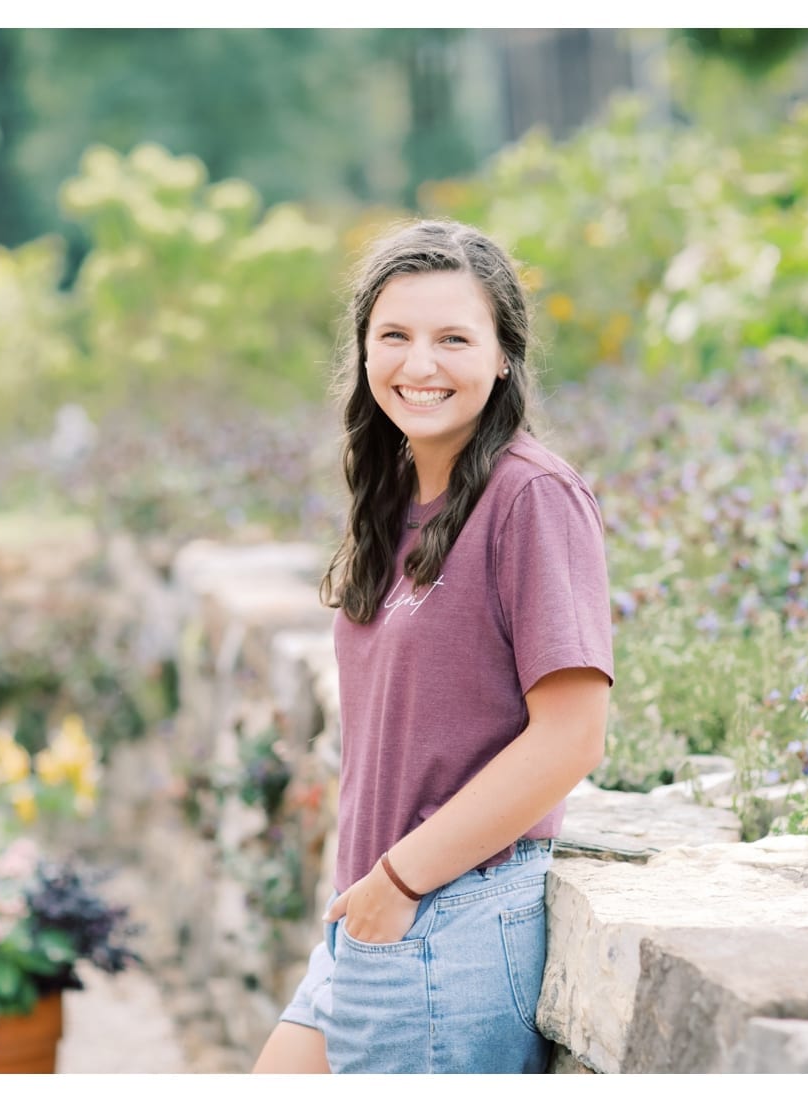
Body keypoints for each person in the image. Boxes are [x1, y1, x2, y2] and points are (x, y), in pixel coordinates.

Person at [252, 219, 613, 1074]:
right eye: (395, 337)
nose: (421, 365)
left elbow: (571, 736)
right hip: (374, 921)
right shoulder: (398, 497)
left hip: (447, 917)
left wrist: (402, 883)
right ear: (364, 353)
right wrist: (377, 897)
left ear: (503, 356)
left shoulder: (532, 498)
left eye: (454, 338)